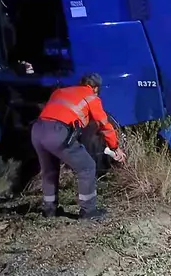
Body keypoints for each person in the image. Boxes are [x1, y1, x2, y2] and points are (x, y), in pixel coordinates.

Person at [31, 73, 126, 219]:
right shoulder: (92, 98)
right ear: (95, 88)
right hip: (57, 132)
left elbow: (60, 112)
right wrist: (114, 147)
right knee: (87, 167)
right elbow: (104, 126)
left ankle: (49, 210)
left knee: (49, 170)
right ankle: (88, 212)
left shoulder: (60, 91)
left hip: (37, 130)